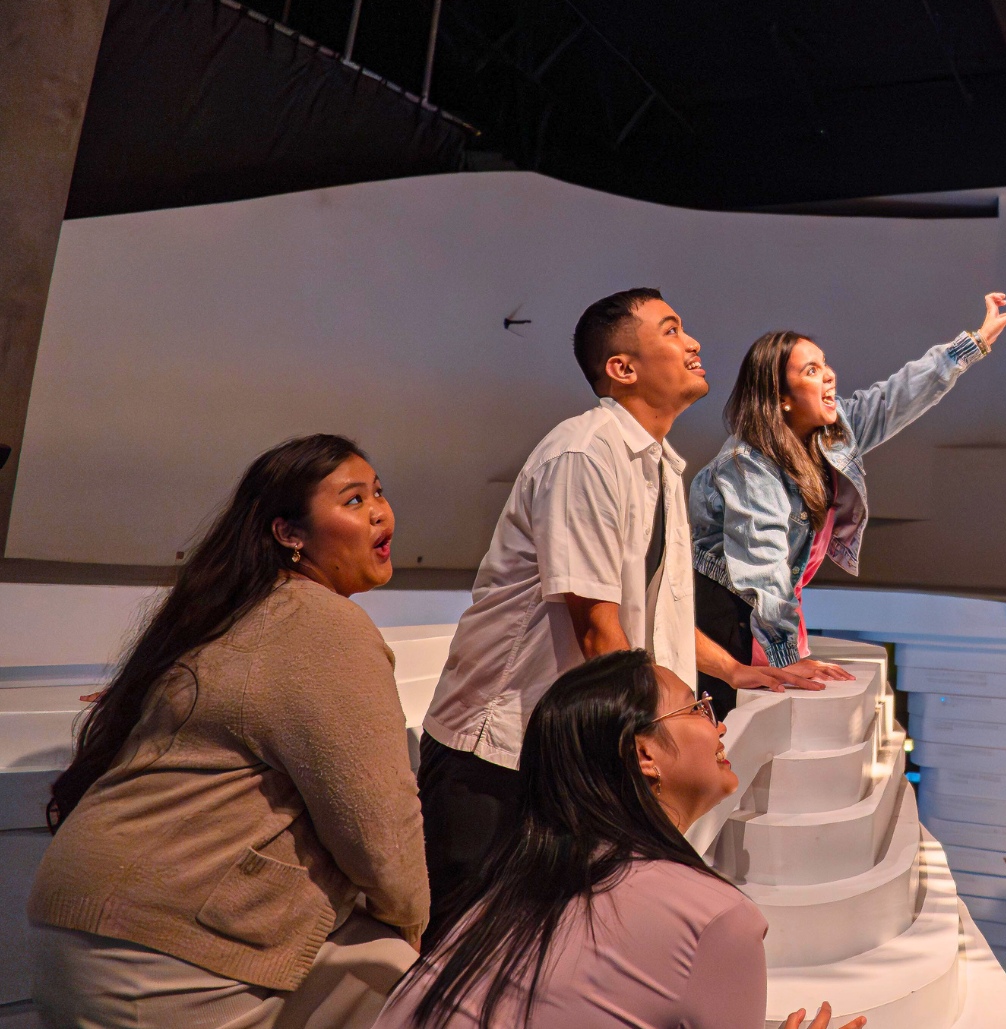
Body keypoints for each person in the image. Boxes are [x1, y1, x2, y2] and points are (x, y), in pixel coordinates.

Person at [418, 289, 819, 941]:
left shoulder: (659, 464)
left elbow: (653, 607)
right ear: (622, 368)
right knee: (466, 955)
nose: (693, 343)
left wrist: (734, 670)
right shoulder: (585, 453)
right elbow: (597, 627)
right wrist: (659, 744)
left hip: (562, 752)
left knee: (541, 955)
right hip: (500, 756)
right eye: (671, 329)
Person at [30, 435, 429, 1027]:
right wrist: (417, 926)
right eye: (351, 500)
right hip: (164, 955)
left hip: (91, 928)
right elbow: (377, 827)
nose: (379, 511)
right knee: (418, 983)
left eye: (378, 492)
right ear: (289, 534)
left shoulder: (235, 608)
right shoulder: (322, 624)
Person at [377, 651, 860, 1029]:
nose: (720, 726)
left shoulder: (512, 887)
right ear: (644, 754)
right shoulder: (716, 919)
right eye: (699, 707)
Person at [692, 293, 1006, 711]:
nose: (828, 376)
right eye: (811, 370)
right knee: (727, 726)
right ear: (781, 398)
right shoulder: (748, 464)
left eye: (824, 364)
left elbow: (894, 398)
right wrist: (787, 658)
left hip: (770, 608)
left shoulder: (832, 432)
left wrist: (973, 344)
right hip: (729, 614)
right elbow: (765, 569)